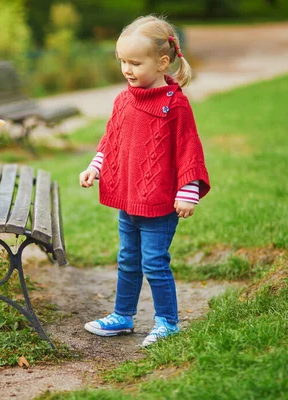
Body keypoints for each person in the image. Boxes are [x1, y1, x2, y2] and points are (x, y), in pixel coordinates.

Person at [79, 15, 211, 347]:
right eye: (122, 61)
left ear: (162, 62)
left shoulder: (175, 104)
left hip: (161, 203)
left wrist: (188, 191)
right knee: (127, 259)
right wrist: (96, 167)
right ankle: (123, 316)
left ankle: (167, 321)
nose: (126, 69)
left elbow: (188, 150)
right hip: (129, 199)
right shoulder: (124, 100)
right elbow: (112, 140)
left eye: (135, 62)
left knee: (153, 262)